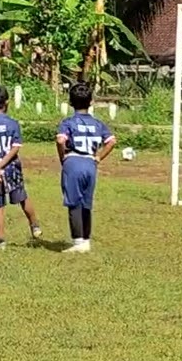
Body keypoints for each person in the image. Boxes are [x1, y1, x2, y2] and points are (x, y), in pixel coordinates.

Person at [0, 85, 41, 249]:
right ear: (7, 102)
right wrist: (1, 165)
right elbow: (15, 147)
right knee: (21, 196)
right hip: (10, 166)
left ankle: (1, 240)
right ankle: (35, 225)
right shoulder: (13, 124)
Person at [56, 82, 115, 253]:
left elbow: (61, 140)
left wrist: (63, 157)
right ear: (91, 102)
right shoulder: (98, 123)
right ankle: (86, 240)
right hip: (90, 163)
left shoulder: (68, 122)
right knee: (86, 203)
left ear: (71, 103)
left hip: (73, 161)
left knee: (73, 202)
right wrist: (98, 157)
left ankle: (78, 242)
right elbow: (111, 141)